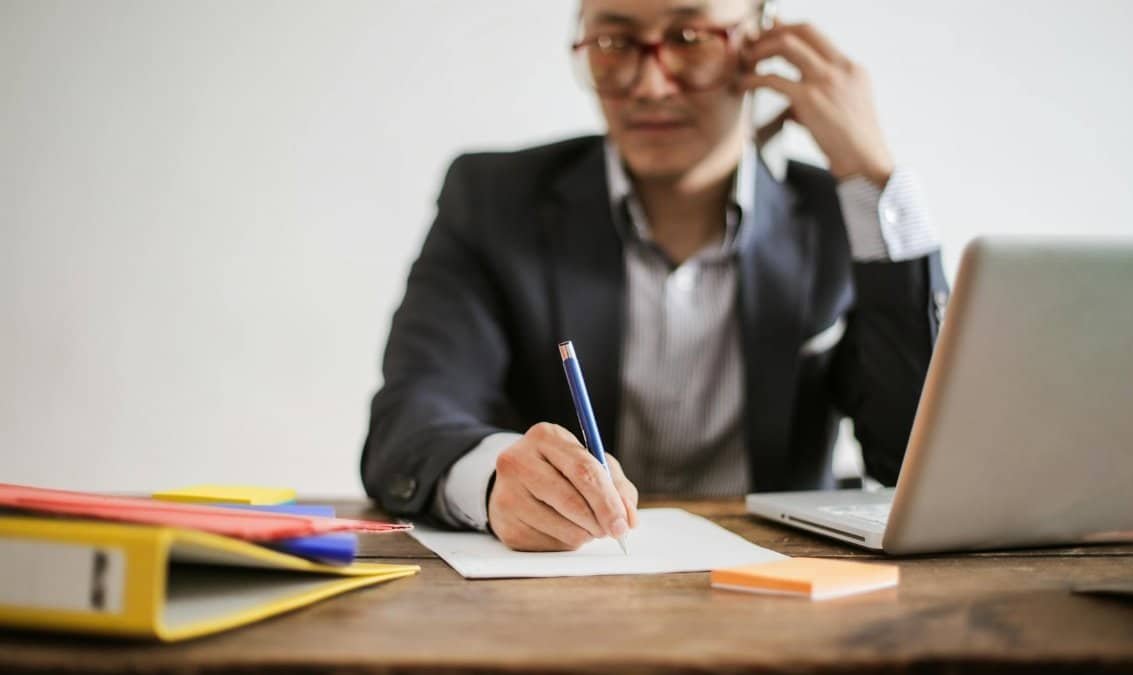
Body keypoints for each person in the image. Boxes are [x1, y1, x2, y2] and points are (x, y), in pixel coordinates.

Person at [361, 0, 949, 552]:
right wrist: (495, 479)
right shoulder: (493, 200)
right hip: (560, 593)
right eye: (615, 42)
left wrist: (873, 180)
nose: (648, 85)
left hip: (782, 591)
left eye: (689, 38)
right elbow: (411, 418)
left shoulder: (840, 215)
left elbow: (917, 462)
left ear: (763, 39)